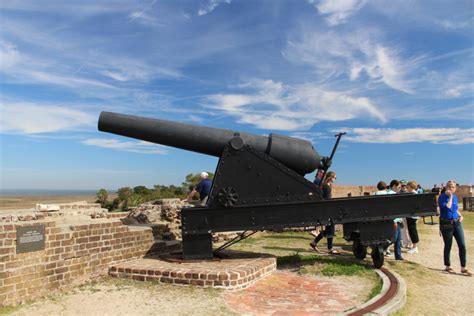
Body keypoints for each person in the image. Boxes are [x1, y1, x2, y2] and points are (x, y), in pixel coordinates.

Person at [438, 180, 471, 276]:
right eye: (450, 187)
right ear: (446, 187)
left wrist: (460, 215)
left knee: (462, 245)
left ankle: (463, 267)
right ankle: (448, 266)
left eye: (453, 187)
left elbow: (454, 209)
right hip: (446, 224)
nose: (451, 189)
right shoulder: (442, 197)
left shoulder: (455, 197)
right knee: (448, 245)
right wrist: (450, 196)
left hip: (457, 222)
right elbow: (447, 207)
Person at [310, 171, 339, 255]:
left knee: (328, 230)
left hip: (328, 208)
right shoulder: (326, 186)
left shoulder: (328, 185)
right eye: (335, 177)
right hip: (327, 209)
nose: (335, 179)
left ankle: (314, 243)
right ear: (330, 177)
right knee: (331, 228)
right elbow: (327, 198)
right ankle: (330, 248)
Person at [387, 180, 404, 260]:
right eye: (399, 187)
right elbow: (392, 209)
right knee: (394, 239)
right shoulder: (391, 194)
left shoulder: (391, 194)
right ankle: (383, 250)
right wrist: (394, 220)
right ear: (394, 186)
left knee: (397, 239)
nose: (400, 189)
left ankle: (398, 255)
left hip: (396, 219)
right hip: (394, 220)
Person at [406, 181, 420, 254]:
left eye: (407, 186)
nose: (406, 187)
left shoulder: (413, 193)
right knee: (412, 230)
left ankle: (415, 247)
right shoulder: (413, 193)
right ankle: (414, 246)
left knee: (412, 231)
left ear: (410, 186)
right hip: (411, 215)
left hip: (412, 215)